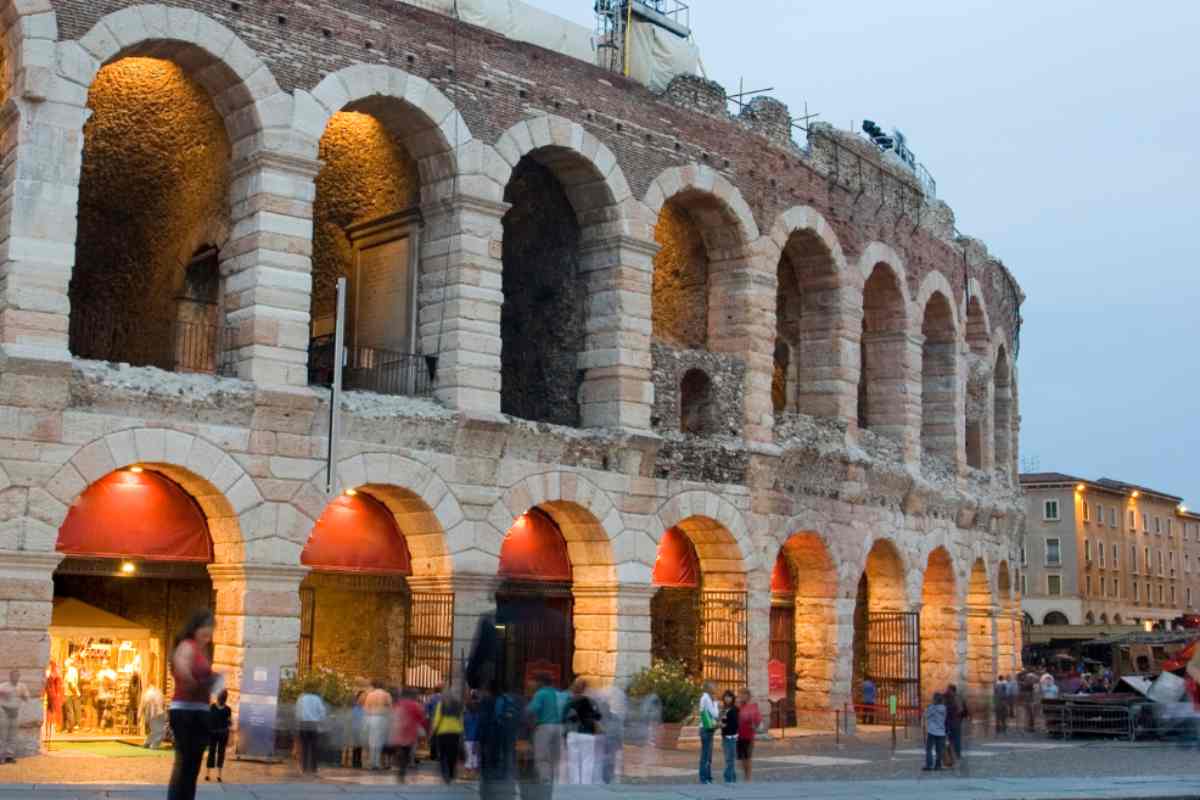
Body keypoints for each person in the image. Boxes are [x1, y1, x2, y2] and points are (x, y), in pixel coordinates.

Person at [167, 609, 220, 800]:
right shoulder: (186, 646)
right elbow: (183, 676)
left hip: (200, 710)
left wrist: (213, 681)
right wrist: (206, 682)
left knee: (194, 764)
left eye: (211, 629)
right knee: (184, 761)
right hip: (185, 711)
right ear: (196, 627)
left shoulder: (202, 650)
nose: (209, 634)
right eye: (206, 628)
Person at [527, 672, 563, 789]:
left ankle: (545, 782)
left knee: (542, 757)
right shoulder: (556, 693)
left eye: (535, 681)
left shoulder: (541, 693)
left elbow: (532, 709)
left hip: (545, 727)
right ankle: (555, 781)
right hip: (558, 727)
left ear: (540, 682)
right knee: (554, 757)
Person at [564, 678, 601, 784]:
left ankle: (574, 784)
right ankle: (586, 785)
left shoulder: (570, 701)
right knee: (587, 760)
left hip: (573, 733)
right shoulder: (591, 701)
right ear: (585, 688)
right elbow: (598, 716)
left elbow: (563, 716)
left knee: (573, 761)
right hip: (587, 734)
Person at [391, 688, 427, 783]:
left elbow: (393, 715)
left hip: (398, 732)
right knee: (406, 752)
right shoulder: (415, 705)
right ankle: (402, 771)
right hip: (409, 733)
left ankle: (400, 765)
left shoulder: (398, 703)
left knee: (401, 749)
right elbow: (421, 718)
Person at [432, 691, 464, 783]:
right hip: (455, 732)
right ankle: (451, 773)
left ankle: (444, 774)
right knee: (453, 754)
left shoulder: (441, 704)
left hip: (443, 732)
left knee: (443, 754)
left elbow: (437, 718)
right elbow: (460, 719)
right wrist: (462, 731)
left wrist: (434, 730)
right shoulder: (458, 705)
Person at [0, 670, 30, 763]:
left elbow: (27, 698)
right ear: (10, 676)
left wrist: (22, 695)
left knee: (13, 735)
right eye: (14, 676)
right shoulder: (3, 686)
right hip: (4, 711)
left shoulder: (22, 686)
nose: (15, 678)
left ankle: (9, 755)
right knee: (3, 734)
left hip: (15, 712)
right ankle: (1, 756)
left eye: (17, 676)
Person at [296, 688, 327, 776]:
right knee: (314, 747)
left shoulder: (301, 698)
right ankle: (313, 769)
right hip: (314, 724)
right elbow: (322, 712)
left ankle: (304, 768)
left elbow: (298, 712)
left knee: (304, 747)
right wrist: (320, 720)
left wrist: (299, 720)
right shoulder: (317, 698)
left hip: (303, 724)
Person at [362, 680, 392, 770]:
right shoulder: (386, 695)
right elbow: (390, 708)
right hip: (382, 718)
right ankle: (377, 763)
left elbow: (366, 709)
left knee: (372, 740)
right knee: (380, 741)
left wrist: (365, 722)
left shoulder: (370, 695)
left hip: (371, 718)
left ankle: (371, 762)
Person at [204, 689, 232, 783]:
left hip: (213, 733)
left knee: (211, 752)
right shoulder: (228, 709)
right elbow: (229, 722)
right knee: (221, 753)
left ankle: (208, 774)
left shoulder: (212, 707)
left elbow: (208, 720)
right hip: (223, 733)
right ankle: (219, 775)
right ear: (225, 698)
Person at [736, 687, 761, 781]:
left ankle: (748, 778)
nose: (742, 696)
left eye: (744, 694)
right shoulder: (737, 707)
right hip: (738, 736)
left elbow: (758, 720)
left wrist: (755, 726)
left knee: (748, 757)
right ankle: (745, 775)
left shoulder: (753, 707)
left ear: (748, 696)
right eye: (740, 694)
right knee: (741, 758)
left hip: (749, 736)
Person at [697, 681, 718, 784]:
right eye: (713, 685)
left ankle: (707, 777)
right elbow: (714, 714)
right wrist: (715, 703)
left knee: (708, 755)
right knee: (706, 755)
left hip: (707, 728)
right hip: (706, 728)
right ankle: (704, 778)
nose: (715, 687)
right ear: (708, 687)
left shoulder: (706, 698)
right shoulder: (707, 698)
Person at [944, 684, 968, 767]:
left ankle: (956, 757)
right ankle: (952, 758)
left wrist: (956, 716)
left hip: (954, 722)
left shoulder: (956, 698)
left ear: (952, 690)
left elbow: (962, 710)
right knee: (950, 741)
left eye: (948, 689)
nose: (946, 690)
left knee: (955, 740)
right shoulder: (949, 698)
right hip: (951, 722)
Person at [922, 692, 946, 772]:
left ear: (935, 699)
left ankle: (929, 765)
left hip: (932, 731)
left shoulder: (932, 708)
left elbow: (925, 715)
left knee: (929, 749)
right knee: (939, 750)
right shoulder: (944, 708)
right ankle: (938, 765)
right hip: (941, 731)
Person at [719, 690, 739, 784]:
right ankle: (732, 778)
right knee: (728, 759)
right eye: (726, 696)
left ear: (732, 698)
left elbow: (735, 724)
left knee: (730, 759)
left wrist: (724, 725)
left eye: (729, 697)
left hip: (732, 737)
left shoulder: (735, 709)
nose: (727, 698)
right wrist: (720, 723)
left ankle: (728, 778)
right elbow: (721, 720)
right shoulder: (723, 709)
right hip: (725, 737)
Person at [141, 683, 166, 749]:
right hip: (156, 713)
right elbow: (159, 704)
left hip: (152, 713)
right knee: (160, 731)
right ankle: (153, 745)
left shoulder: (147, 693)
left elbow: (143, 705)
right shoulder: (156, 692)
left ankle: (147, 743)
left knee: (155, 730)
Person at [43, 661, 63, 740]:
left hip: (53, 694)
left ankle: (50, 731)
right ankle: (48, 732)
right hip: (51, 694)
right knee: (50, 712)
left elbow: (58, 686)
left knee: (51, 712)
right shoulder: (52, 674)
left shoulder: (54, 674)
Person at [463, 691, 482, 776]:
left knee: (469, 755)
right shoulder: (478, 716)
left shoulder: (466, 716)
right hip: (476, 738)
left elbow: (464, 728)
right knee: (475, 755)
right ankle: (474, 771)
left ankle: (468, 771)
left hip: (468, 738)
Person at [63, 658, 80, 734]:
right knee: (73, 710)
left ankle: (70, 728)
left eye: (65, 664)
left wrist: (76, 692)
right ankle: (72, 727)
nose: (65, 665)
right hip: (72, 692)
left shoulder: (70, 671)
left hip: (69, 693)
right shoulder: (73, 670)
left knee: (70, 711)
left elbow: (71, 683)